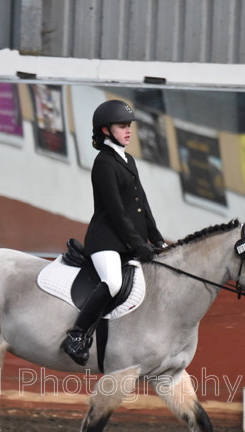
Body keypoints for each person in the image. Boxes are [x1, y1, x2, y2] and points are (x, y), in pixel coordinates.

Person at [60, 99, 167, 366]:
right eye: (122, 126)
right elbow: (116, 210)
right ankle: (76, 336)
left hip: (126, 243)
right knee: (114, 283)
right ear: (106, 130)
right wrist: (137, 244)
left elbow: (142, 204)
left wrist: (157, 239)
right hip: (106, 242)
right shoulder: (104, 163)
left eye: (129, 125)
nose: (128, 130)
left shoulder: (127, 159)